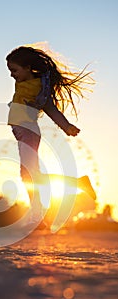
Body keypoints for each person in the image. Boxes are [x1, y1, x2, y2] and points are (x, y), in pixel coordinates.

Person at [6, 45, 96, 228]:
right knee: (30, 175)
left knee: (29, 175)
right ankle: (40, 214)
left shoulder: (39, 88)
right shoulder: (23, 83)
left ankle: (37, 216)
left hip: (28, 132)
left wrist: (66, 126)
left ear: (27, 67)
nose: (11, 75)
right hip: (22, 132)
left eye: (14, 70)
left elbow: (51, 109)